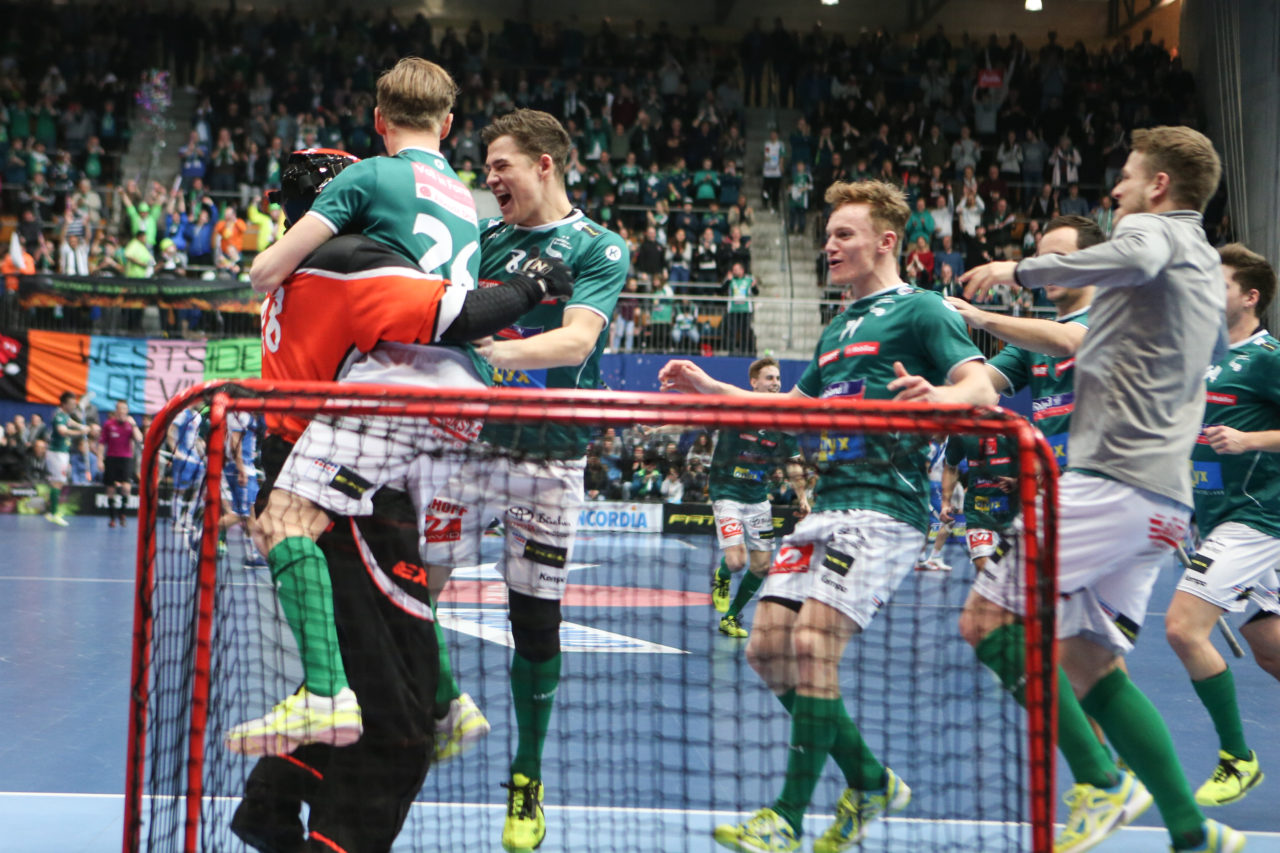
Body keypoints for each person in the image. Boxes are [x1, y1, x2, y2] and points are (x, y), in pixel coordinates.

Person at [228, 147, 576, 853]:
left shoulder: (294, 271)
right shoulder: (352, 259)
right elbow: (454, 315)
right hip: (348, 491)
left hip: (320, 469)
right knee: (392, 719)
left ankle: (278, 798)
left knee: (387, 684)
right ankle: (374, 739)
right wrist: (530, 284)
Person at [661, 179, 997, 852]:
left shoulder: (922, 310)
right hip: (830, 505)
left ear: (886, 241)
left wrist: (944, 391)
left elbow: (981, 388)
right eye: (829, 234)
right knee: (765, 649)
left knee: (813, 645)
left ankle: (785, 817)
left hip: (885, 507)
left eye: (845, 234)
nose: (830, 245)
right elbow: (790, 407)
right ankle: (869, 779)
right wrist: (716, 389)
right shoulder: (838, 327)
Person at [961, 126, 1244, 852]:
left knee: (988, 621)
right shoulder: (1201, 270)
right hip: (1159, 499)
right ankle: (1190, 830)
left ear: (1157, 186)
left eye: (1125, 176)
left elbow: (1137, 251)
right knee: (1087, 661)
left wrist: (1015, 270)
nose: (1114, 189)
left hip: (1111, 481)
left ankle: (1099, 778)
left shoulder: (1157, 234)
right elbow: (1205, 348)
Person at [411, 108, 627, 853]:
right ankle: (443, 704)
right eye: (486, 164)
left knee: (534, 622)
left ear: (544, 163)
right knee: (409, 584)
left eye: (500, 163)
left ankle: (526, 779)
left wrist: (487, 351)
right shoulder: (484, 240)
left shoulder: (600, 246)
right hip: (468, 448)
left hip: (551, 456)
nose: (489, 176)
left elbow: (576, 338)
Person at [1165, 243, 1280, 808]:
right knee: (1270, 647)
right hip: (1215, 518)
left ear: (1249, 296)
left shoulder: (1267, 358)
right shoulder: (1205, 358)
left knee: (1184, 628)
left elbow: (1244, 438)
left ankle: (1239, 759)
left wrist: (1249, 440)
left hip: (1257, 519)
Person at [706, 358, 809, 638]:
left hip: (757, 498)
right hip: (726, 492)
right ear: (754, 383)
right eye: (769, 378)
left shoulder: (784, 422)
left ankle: (731, 618)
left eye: (778, 379)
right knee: (737, 561)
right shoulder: (736, 408)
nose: (775, 383)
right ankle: (723, 575)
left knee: (762, 566)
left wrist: (802, 496)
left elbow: (793, 463)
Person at [43, 390, 88, 526]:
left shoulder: (64, 415)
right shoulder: (59, 416)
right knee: (57, 482)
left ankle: (53, 511)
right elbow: (63, 431)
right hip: (57, 453)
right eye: (71, 404)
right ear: (64, 404)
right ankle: (53, 513)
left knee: (58, 482)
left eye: (75, 403)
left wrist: (81, 425)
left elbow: (70, 422)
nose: (74, 406)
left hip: (61, 452)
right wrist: (81, 432)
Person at [101, 400, 142, 529]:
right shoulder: (108, 424)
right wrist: (99, 460)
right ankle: (112, 517)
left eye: (124, 409)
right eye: (119, 409)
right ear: (116, 410)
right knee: (110, 489)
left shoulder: (130, 425)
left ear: (127, 411)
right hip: (111, 458)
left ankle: (122, 514)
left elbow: (139, 439)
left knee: (126, 488)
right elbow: (102, 443)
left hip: (126, 459)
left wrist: (134, 425)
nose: (121, 411)